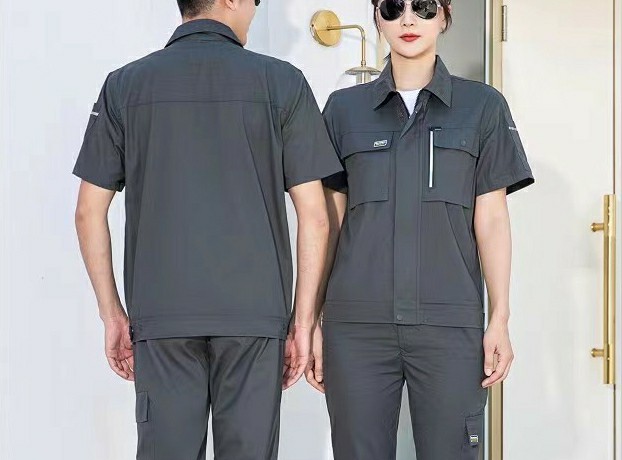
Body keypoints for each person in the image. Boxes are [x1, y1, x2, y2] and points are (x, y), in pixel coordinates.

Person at [72, 0, 343, 458]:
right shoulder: (282, 82)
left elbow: (87, 212)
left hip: (163, 314)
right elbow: (315, 215)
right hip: (254, 315)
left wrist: (112, 314)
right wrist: (303, 322)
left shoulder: (125, 85)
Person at [305, 1, 536, 459]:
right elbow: (327, 224)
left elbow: (491, 220)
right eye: (393, 8)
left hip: (449, 323)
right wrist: (310, 321)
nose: (408, 20)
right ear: (377, 18)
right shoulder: (343, 110)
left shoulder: (482, 106)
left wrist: (500, 317)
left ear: (444, 16)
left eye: (424, 7)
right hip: (357, 326)